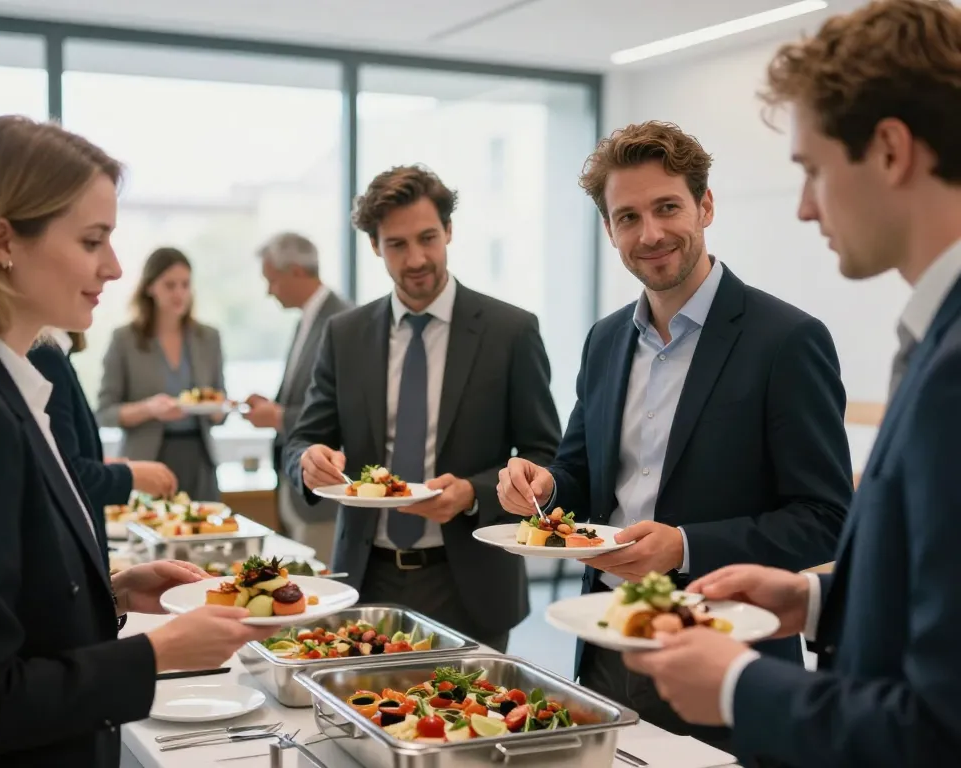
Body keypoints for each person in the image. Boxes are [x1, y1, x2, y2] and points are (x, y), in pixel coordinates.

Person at [620, 2, 961, 766]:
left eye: (811, 169)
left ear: (891, 149)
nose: (805, 206)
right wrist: (812, 601)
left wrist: (740, 685)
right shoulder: (935, 336)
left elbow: (941, 726)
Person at [497, 121, 852, 747]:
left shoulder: (787, 341)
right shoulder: (605, 340)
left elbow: (824, 518)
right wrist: (545, 487)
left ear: (705, 205)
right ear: (610, 231)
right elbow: (580, 476)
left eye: (667, 208)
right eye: (628, 217)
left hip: (725, 651)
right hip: (605, 640)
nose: (651, 233)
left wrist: (683, 546)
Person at [0, 116, 271, 768]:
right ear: (3, 240)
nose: (116, 268)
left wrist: (107, 593)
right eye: (94, 241)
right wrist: (160, 652)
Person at [283, 165, 561, 650]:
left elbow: (544, 453)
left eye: (428, 238)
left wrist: (473, 494)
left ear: (449, 231)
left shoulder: (510, 332)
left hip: (471, 582)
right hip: (366, 580)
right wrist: (306, 463)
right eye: (397, 244)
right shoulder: (344, 335)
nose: (416, 258)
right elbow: (304, 439)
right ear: (375, 246)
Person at [243, 232, 351, 560]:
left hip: (323, 497)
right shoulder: (308, 319)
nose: (269, 291)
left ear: (296, 271)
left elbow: (346, 410)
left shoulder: (342, 321)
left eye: (272, 281)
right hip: (294, 487)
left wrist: (278, 417)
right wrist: (274, 407)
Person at [97, 247, 226, 501]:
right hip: (148, 458)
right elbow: (105, 413)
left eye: (185, 285)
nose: (179, 293)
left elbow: (220, 406)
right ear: (149, 287)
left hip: (199, 458)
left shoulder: (208, 338)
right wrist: (150, 409)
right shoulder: (125, 340)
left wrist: (216, 409)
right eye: (170, 285)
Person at [29, 329, 178, 531]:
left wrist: (109, 465)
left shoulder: (54, 353)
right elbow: (64, 473)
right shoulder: (45, 354)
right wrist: (131, 475)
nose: (100, 294)